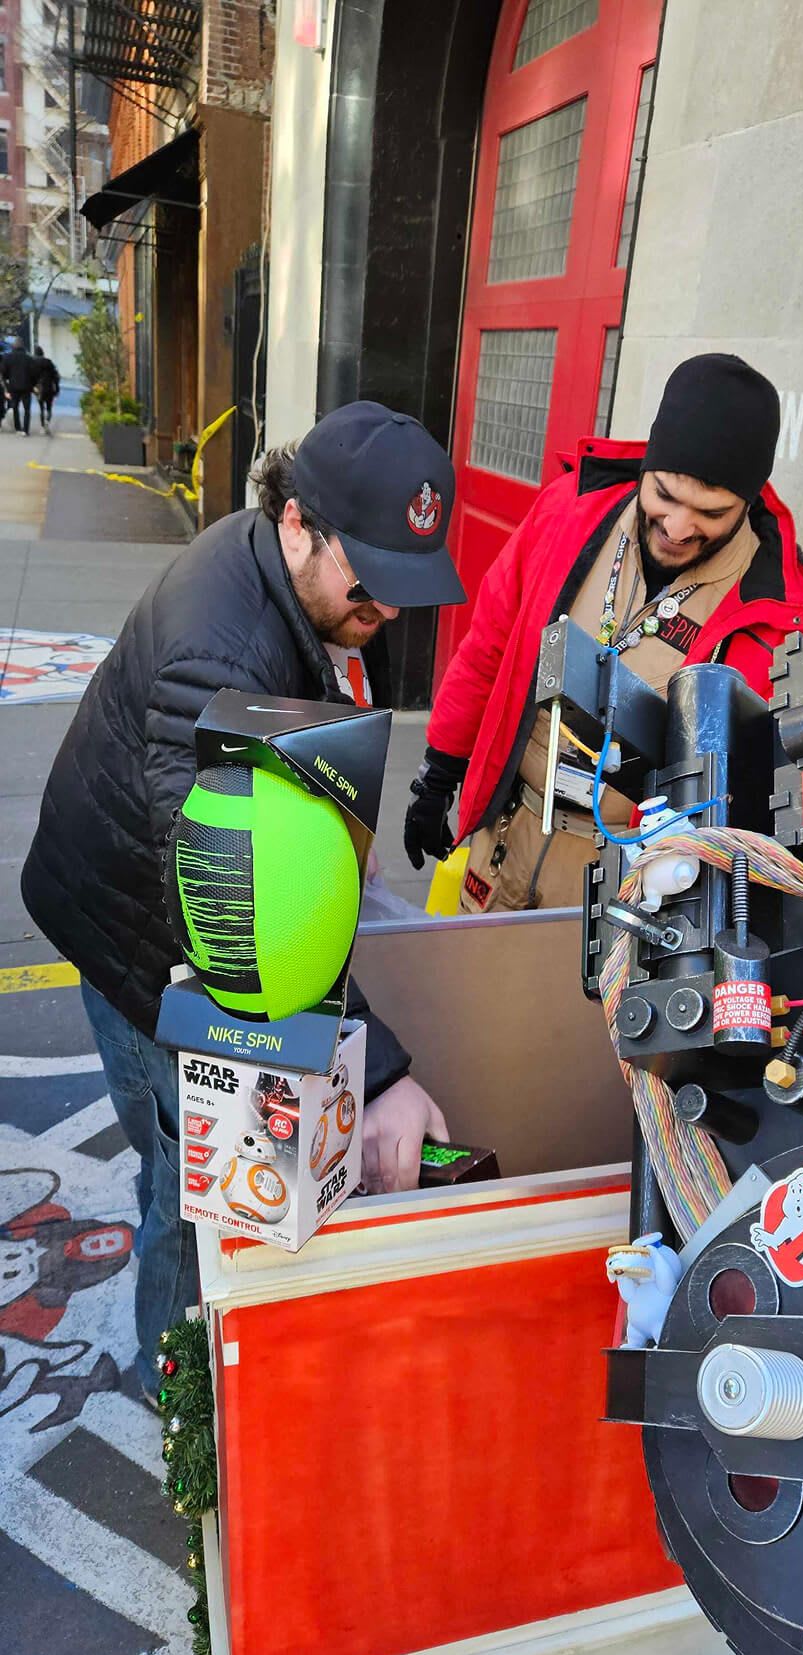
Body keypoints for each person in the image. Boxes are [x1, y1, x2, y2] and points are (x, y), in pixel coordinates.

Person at [21, 400, 467, 1404]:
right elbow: (231, 914)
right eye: (374, 581)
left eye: (408, 586)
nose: (389, 612)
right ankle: (178, 1389)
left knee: (195, 1171)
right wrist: (380, 1067)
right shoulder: (215, 651)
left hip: (151, 887)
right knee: (190, 1189)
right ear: (301, 520)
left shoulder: (286, 572)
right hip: (136, 931)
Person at [404, 353, 803, 913]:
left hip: (629, 889)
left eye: (710, 512)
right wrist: (440, 769)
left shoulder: (785, 619)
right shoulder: (570, 512)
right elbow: (490, 644)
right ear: (646, 465)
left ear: (748, 502)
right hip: (507, 837)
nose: (679, 528)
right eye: (665, 495)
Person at [1, 338, 38, 435]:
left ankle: (18, 428)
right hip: (27, 387)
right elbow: (34, 374)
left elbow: (4, 373)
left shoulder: (8, 357)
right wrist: (33, 385)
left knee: (15, 407)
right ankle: (25, 430)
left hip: (13, 386)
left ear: (13, 346)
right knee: (27, 409)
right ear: (23, 347)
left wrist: (7, 386)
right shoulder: (29, 358)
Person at [32, 345, 59, 432]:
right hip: (49, 387)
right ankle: (47, 420)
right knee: (49, 407)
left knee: (41, 408)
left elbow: (32, 376)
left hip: (39, 388)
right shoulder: (49, 362)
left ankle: (43, 426)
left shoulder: (33, 362)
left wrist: (33, 387)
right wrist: (57, 388)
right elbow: (55, 376)